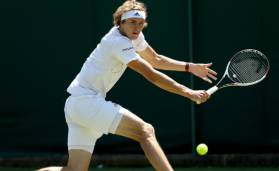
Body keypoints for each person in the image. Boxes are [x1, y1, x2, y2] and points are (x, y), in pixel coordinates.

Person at [37, 0, 217, 171]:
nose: (137, 27)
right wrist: (189, 92)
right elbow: (151, 74)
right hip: (86, 103)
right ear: (120, 22)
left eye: (141, 23)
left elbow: (155, 59)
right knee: (145, 131)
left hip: (77, 106)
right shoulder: (117, 42)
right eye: (132, 22)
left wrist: (189, 67)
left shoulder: (133, 36)